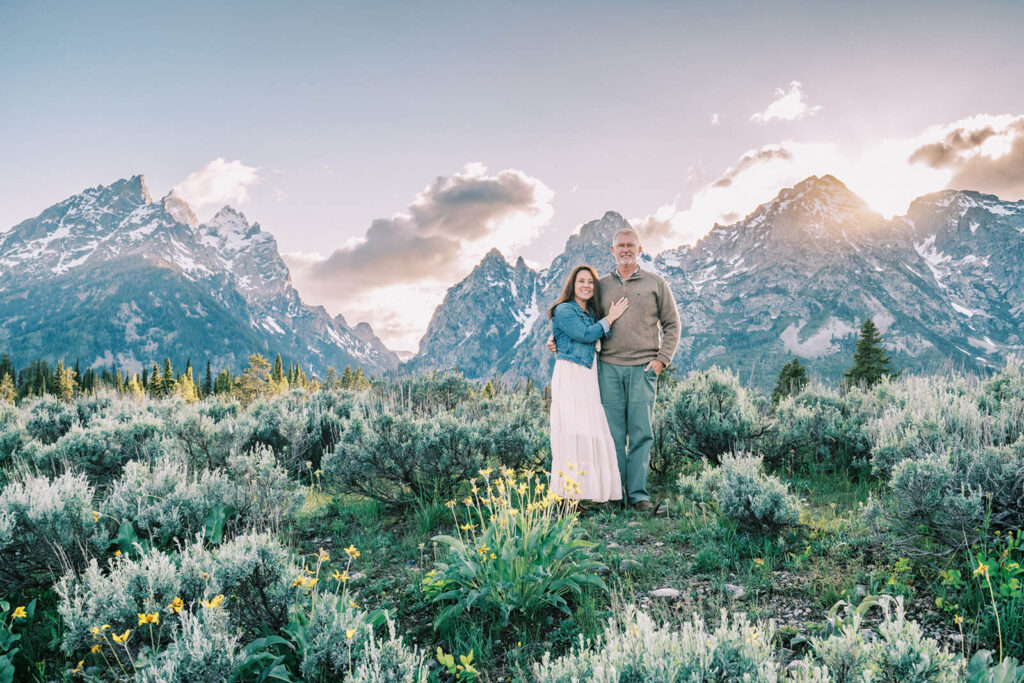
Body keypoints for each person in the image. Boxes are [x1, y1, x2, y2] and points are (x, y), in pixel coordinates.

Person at [549, 226, 680, 512]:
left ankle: (638, 496)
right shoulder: (601, 286)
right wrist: (557, 339)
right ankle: (614, 495)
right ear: (612, 250)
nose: (626, 250)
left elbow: (672, 324)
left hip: (643, 369)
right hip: (607, 368)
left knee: (641, 433)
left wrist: (661, 360)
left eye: (631, 245)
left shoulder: (656, 284)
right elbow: (583, 320)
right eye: (620, 245)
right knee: (611, 436)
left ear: (640, 249)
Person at [548, 265, 629, 504]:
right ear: (572, 285)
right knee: (573, 428)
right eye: (581, 281)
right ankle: (569, 495)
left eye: (591, 282)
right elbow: (584, 334)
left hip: (588, 374)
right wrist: (610, 318)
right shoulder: (564, 309)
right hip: (571, 373)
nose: (586, 286)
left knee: (588, 428)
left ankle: (586, 492)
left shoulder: (590, 312)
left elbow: (590, 334)